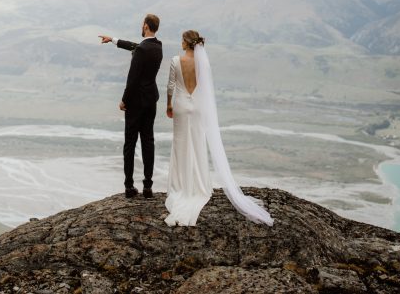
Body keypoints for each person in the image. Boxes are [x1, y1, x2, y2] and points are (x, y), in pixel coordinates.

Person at [165, 30, 274, 227]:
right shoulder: (203, 63)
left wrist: (168, 105)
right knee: (197, 144)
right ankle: (198, 185)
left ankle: (180, 187)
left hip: (181, 105)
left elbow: (170, 86)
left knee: (180, 145)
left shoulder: (175, 61)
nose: (180, 43)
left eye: (181, 40)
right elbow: (205, 90)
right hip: (197, 107)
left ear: (186, 43)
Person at [99, 14, 163, 199]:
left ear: (145, 26)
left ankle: (129, 186)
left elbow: (132, 79)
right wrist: (113, 40)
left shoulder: (142, 49)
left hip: (135, 103)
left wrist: (124, 100)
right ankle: (148, 187)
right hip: (151, 101)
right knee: (148, 142)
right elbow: (136, 46)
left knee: (130, 143)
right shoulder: (157, 47)